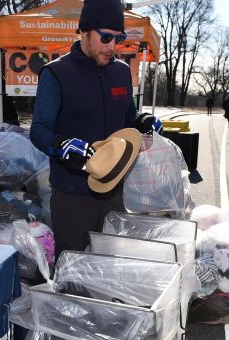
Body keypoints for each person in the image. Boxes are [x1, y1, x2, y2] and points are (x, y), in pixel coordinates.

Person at [29, 0, 162, 257]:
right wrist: (60, 145)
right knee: (72, 269)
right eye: (105, 37)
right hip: (71, 194)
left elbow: (128, 117)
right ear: (84, 32)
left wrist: (141, 122)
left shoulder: (122, 72)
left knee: (112, 266)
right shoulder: (56, 73)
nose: (112, 46)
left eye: (118, 39)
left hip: (113, 191)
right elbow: (39, 129)